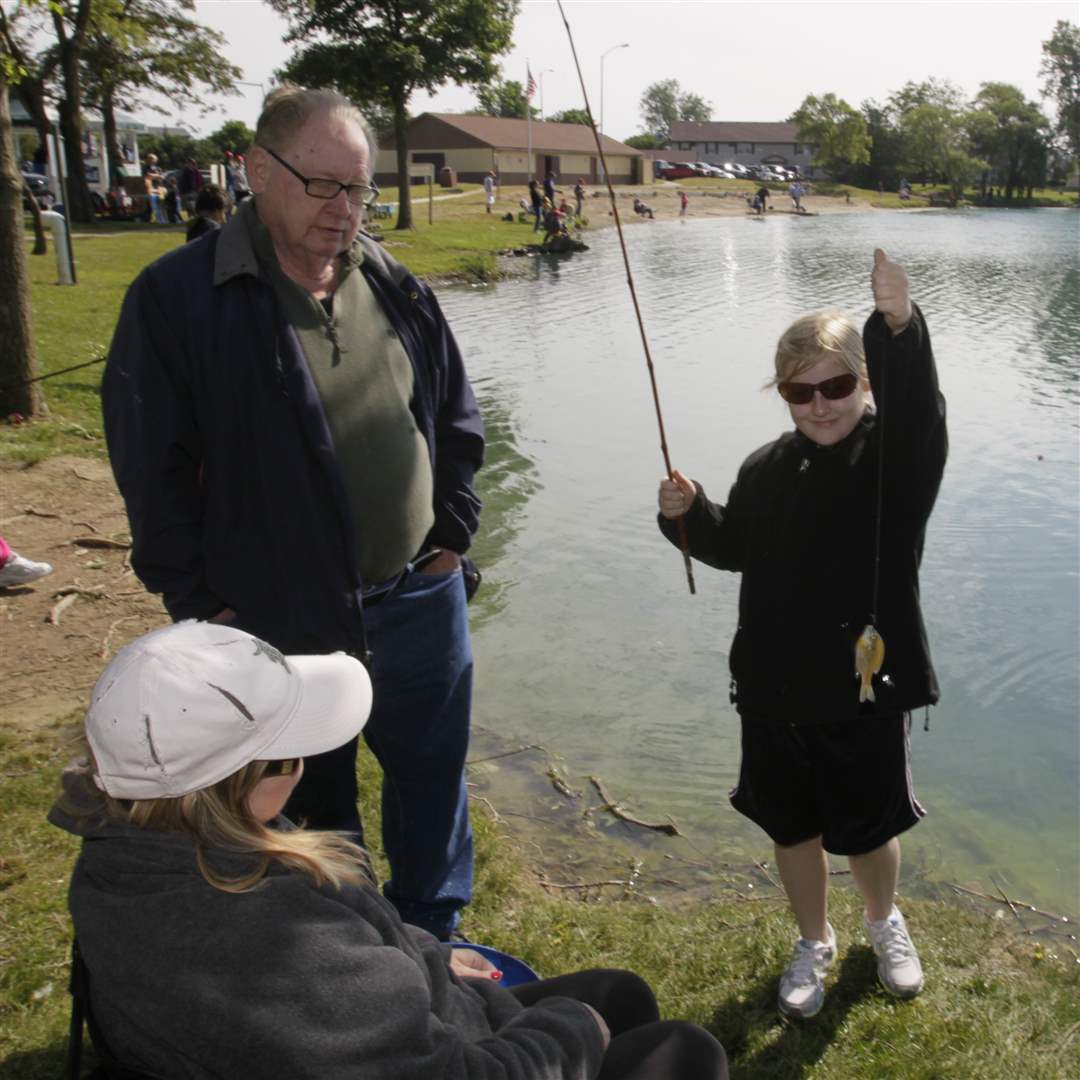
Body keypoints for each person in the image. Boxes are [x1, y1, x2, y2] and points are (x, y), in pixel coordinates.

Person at [103, 84, 485, 941]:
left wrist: (451, 537)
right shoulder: (178, 299)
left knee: (433, 779)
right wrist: (209, 609)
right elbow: (150, 477)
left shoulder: (391, 281)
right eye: (321, 185)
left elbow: (457, 416)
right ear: (254, 170)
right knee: (309, 803)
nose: (343, 210)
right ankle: (345, 955)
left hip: (421, 600)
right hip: (277, 621)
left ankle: (435, 934)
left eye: (358, 189)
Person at [51, 621, 730, 1080]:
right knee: (682, 1049)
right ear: (242, 781)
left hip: (382, 1027)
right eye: (290, 755)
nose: (304, 767)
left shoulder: (127, 851)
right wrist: (573, 1032)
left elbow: (348, 972)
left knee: (623, 991)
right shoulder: (269, 943)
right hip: (434, 1054)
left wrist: (426, 954)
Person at [656, 250, 946, 1020]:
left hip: (865, 685)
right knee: (793, 824)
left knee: (871, 822)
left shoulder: (897, 459)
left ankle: (884, 923)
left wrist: (899, 327)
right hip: (775, 687)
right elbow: (736, 550)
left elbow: (921, 412)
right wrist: (688, 516)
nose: (820, 405)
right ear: (782, 394)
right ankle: (813, 939)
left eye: (837, 386)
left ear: (865, 381)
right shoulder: (766, 468)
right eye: (799, 391)